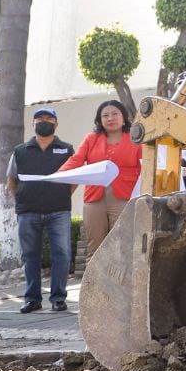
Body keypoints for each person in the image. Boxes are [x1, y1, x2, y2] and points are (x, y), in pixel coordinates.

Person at [6, 107, 75, 313]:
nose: (44, 121)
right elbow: (11, 180)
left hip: (59, 210)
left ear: (56, 123)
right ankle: (32, 299)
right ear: (33, 124)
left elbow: (73, 179)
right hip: (28, 211)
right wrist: (23, 197)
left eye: (49, 118)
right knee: (29, 255)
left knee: (62, 254)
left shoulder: (66, 149)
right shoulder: (20, 151)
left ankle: (58, 298)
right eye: (39, 118)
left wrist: (62, 195)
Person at [59, 100, 143, 260]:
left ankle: (121, 285)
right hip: (94, 199)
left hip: (125, 198)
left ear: (123, 117)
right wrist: (59, 175)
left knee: (122, 246)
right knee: (95, 248)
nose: (110, 118)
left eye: (114, 114)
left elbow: (145, 165)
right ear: (100, 120)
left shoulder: (135, 138)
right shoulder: (91, 138)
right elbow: (76, 160)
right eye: (105, 115)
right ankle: (93, 284)